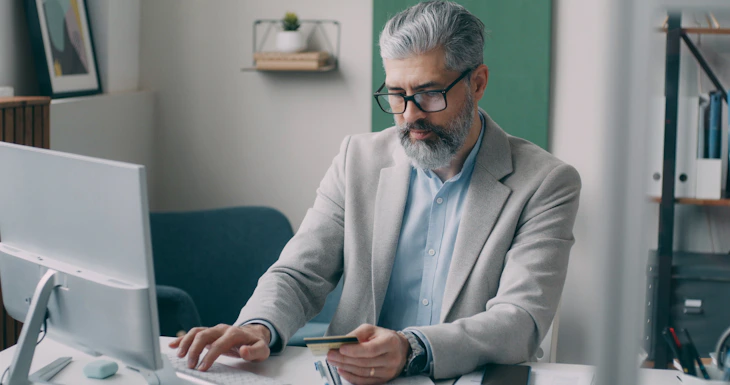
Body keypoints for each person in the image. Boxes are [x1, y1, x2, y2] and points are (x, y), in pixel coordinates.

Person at [171, 2, 581, 383]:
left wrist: (411, 348)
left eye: (429, 94)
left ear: (477, 83)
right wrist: (256, 325)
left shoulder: (545, 182)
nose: (410, 115)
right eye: (396, 94)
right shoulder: (357, 159)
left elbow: (520, 320)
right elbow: (300, 273)